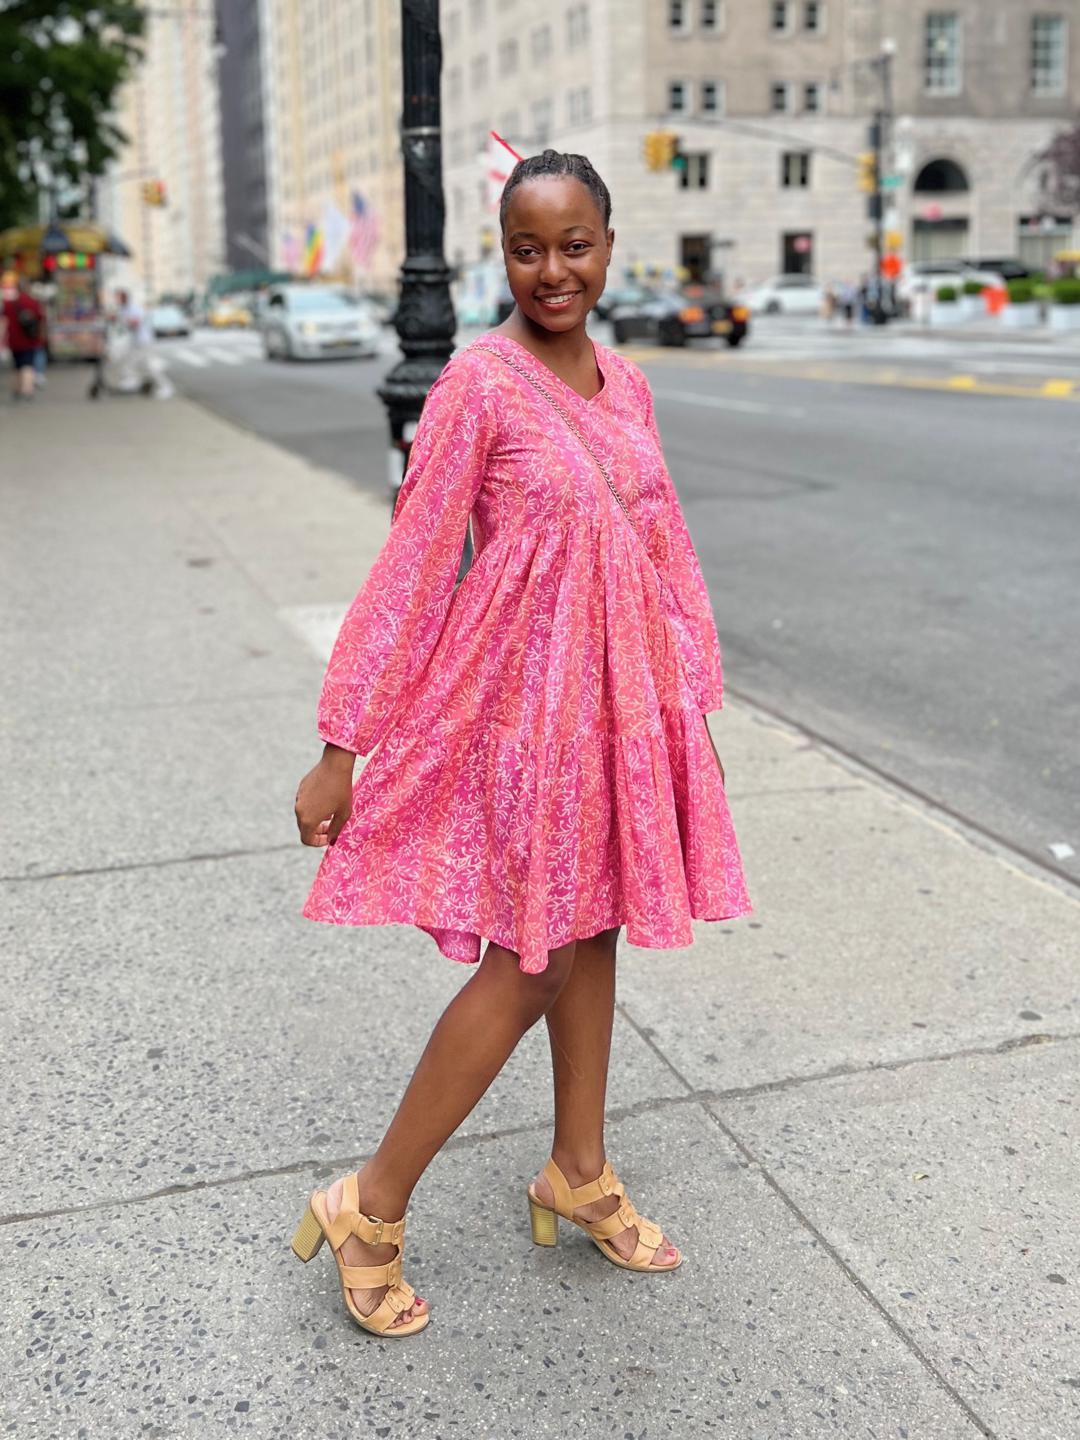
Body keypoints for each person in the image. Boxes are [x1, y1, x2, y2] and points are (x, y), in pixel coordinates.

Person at [291, 148, 752, 1337]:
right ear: (504, 254)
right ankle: (370, 1202)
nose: (553, 269)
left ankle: (577, 1169)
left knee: (595, 926)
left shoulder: (628, 384)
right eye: (528, 247)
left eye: (575, 244)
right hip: (522, 717)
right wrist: (344, 739)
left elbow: (663, 546)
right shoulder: (475, 386)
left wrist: (687, 696)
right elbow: (413, 558)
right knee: (535, 956)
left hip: (619, 705)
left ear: (609, 243)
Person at [2, 276, 46, 400]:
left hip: (13, 340)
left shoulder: (9, 304)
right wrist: (42, 336)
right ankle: (27, 390)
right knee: (27, 365)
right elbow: (41, 320)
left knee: (17, 365)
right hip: (29, 340)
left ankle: (17, 388)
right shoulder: (34, 303)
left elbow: (3, 322)